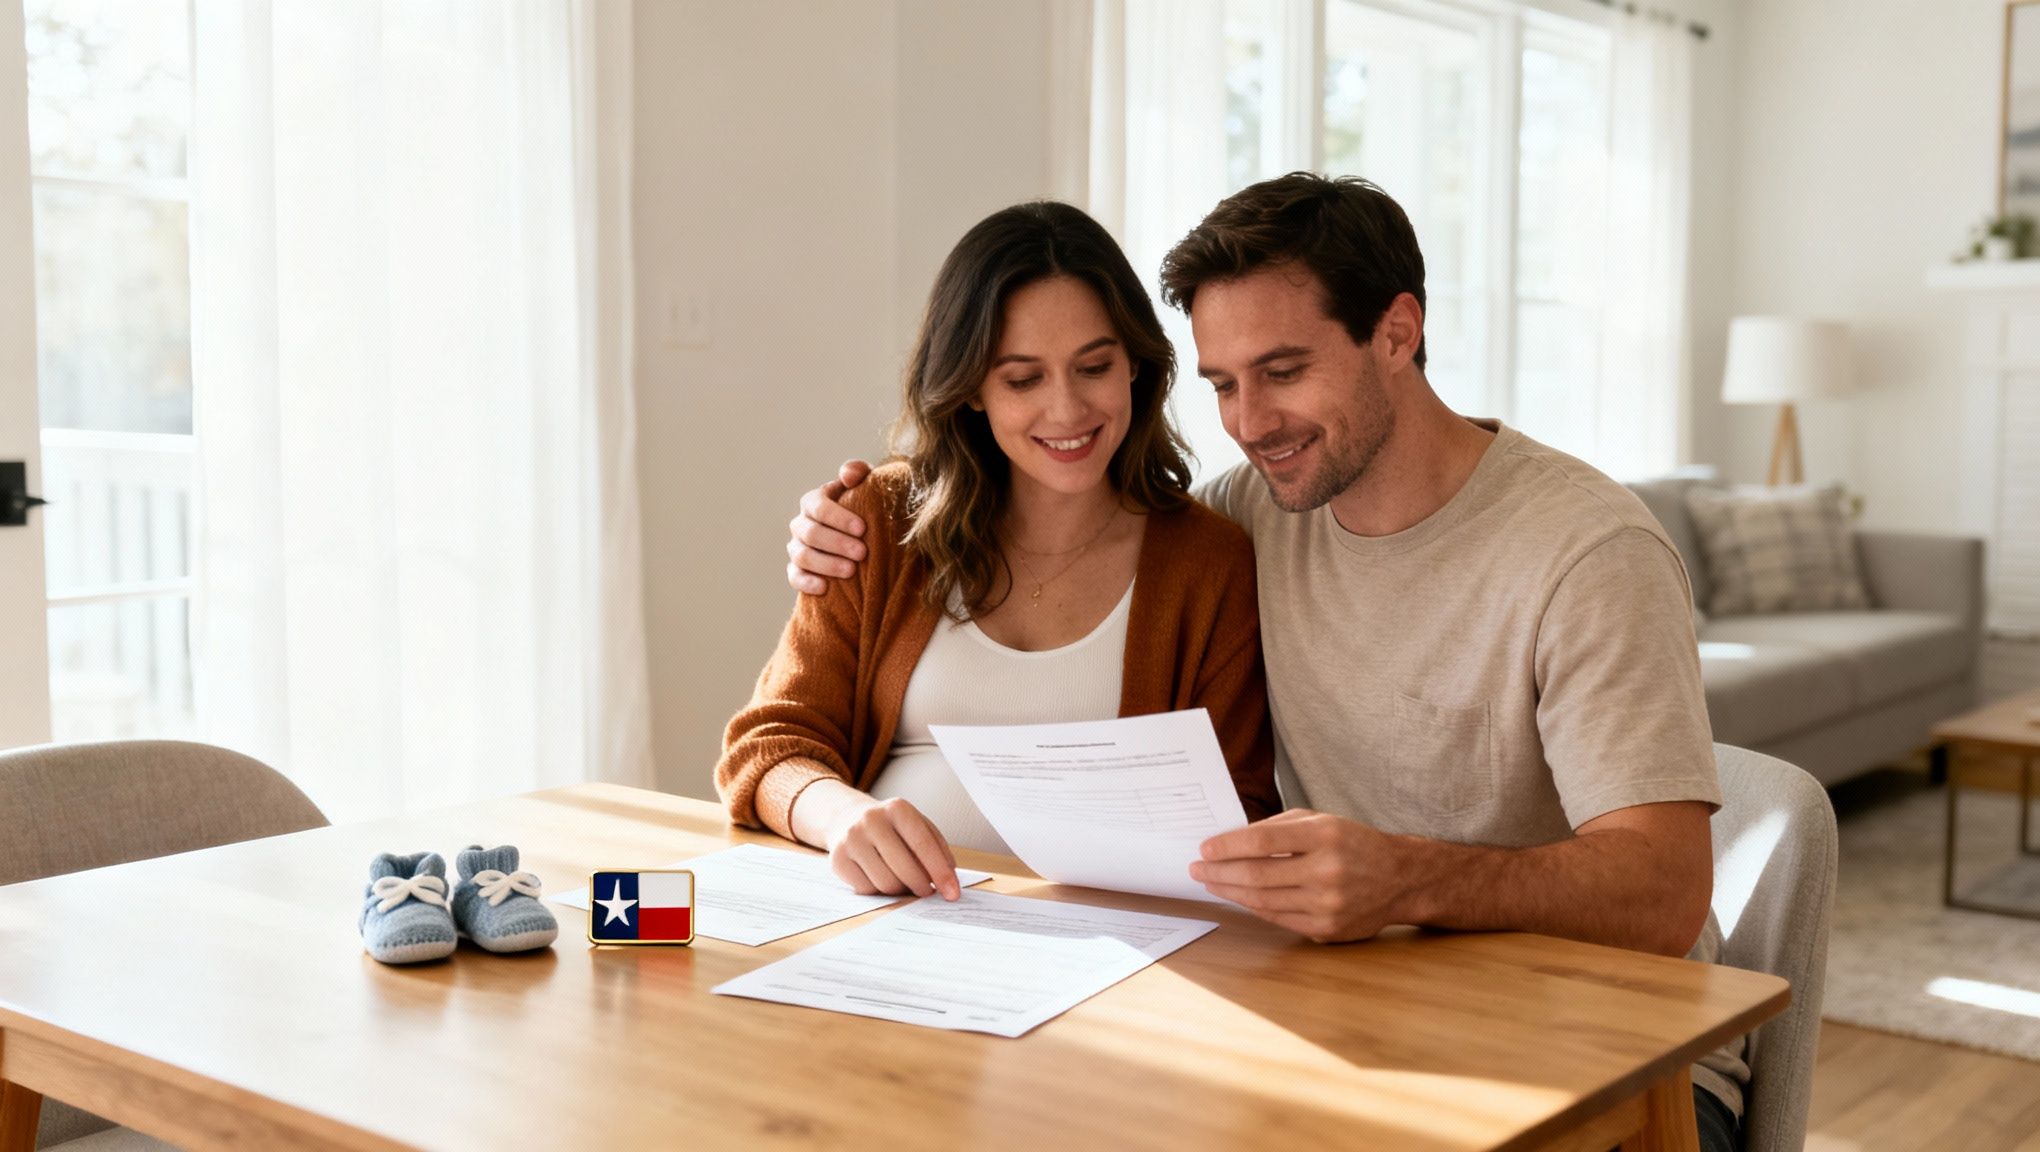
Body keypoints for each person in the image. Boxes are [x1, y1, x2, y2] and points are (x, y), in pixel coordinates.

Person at [781, 174, 1746, 1152]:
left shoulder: (1583, 552)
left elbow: (1662, 896)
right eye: (1221, 384)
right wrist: (842, 515)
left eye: (1283, 370)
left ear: (1398, 333)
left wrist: (1407, 882)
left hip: (1622, 1064)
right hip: (1361, 1017)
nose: (1248, 421)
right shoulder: (1251, 515)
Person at [716, 200, 1280, 905]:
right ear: (972, 389)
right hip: (881, 927)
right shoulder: (876, 524)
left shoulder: (1209, 562)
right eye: (1023, 379)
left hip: (1112, 951)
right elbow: (767, 746)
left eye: (1094, 366)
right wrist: (841, 816)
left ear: (1135, 365)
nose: (1068, 410)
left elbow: (1242, 813)